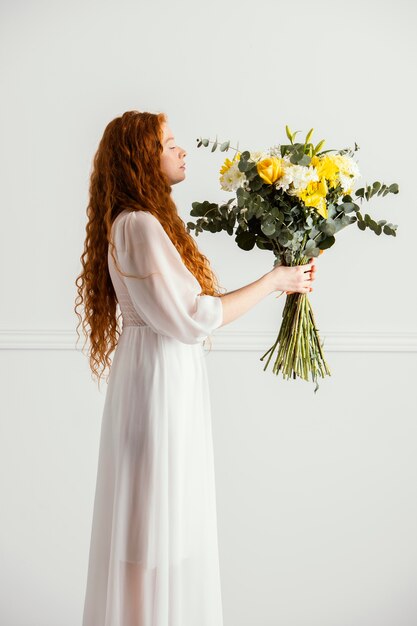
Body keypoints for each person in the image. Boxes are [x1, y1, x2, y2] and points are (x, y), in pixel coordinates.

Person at [75, 110, 316, 626]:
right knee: (148, 527)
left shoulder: (141, 222)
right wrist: (275, 281)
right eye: (170, 143)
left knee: (157, 523)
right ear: (143, 157)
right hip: (157, 380)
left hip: (159, 375)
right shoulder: (137, 224)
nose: (182, 151)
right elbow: (192, 317)